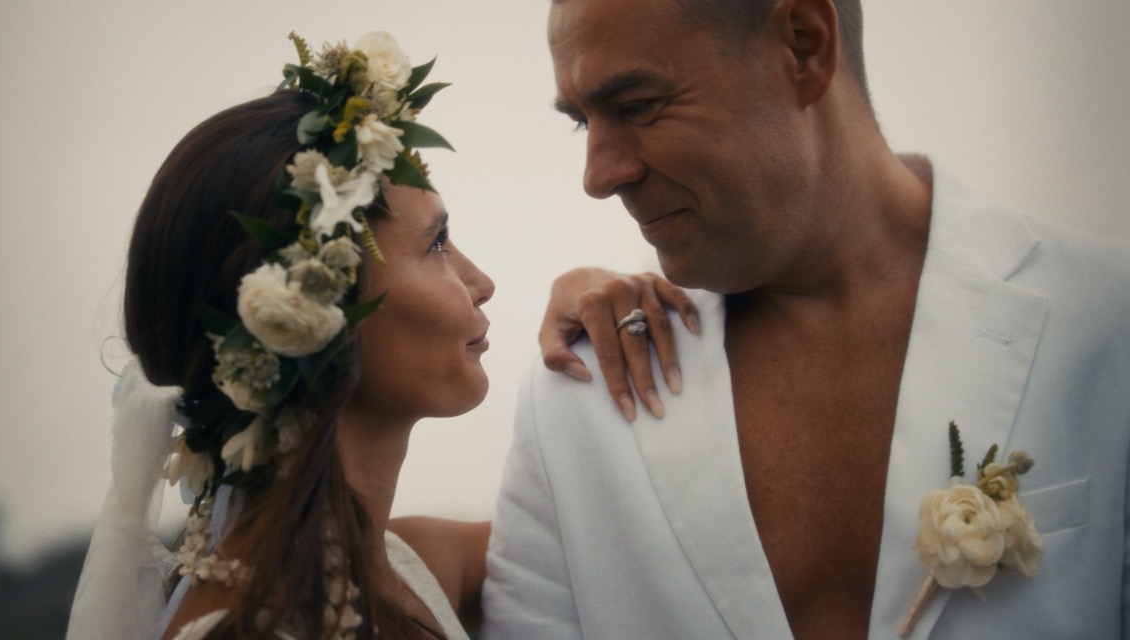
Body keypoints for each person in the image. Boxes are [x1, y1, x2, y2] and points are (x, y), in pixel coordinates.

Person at [483, 0, 1130, 638]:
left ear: (804, 44)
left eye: (636, 106)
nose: (598, 176)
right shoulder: (575, 395)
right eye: (583, 121)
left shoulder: (1106, 319)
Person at [64, 31, 690, 640]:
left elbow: (597, 548)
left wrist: (582, 282)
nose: (482, 282)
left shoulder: (406, 565)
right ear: (315, 311)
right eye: (437, 243)